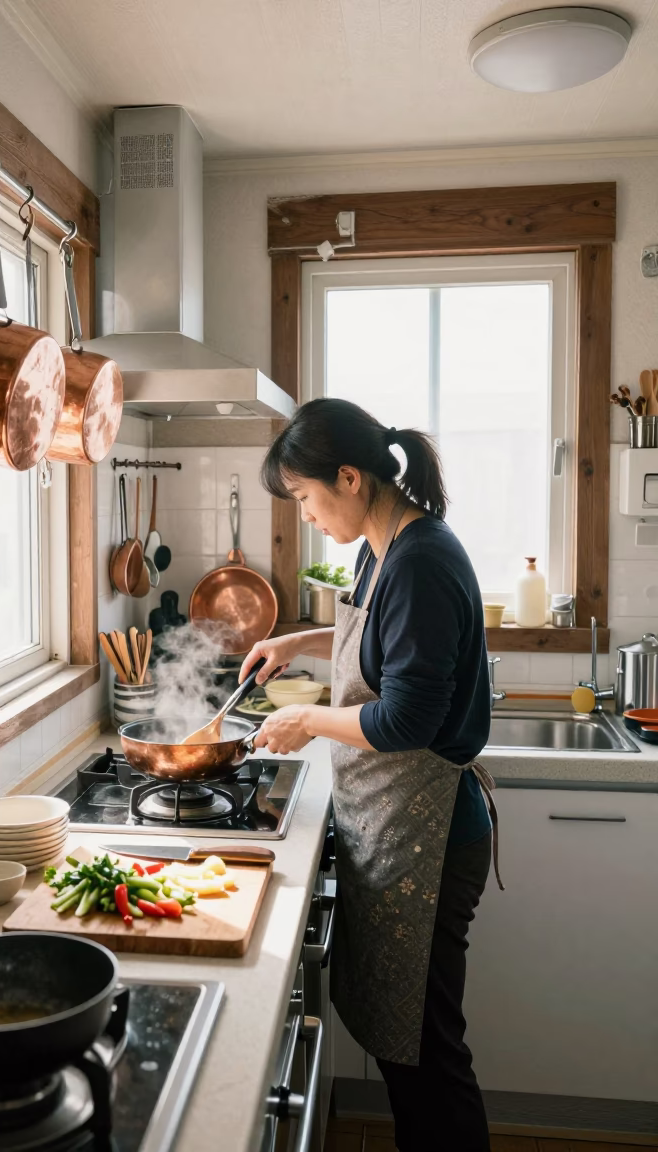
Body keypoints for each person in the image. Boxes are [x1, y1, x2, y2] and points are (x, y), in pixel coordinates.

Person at [239, 398, 502, 1152]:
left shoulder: (421, 559)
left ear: (348, 478)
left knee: (429, 1058)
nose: (306, 516)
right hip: (397, 825)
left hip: (429, 833)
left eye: (305, 498)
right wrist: (302, 641)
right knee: (408, 1051)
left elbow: (407, 721)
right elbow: (376, 637)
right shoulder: (383, 545)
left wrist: (305, 721)